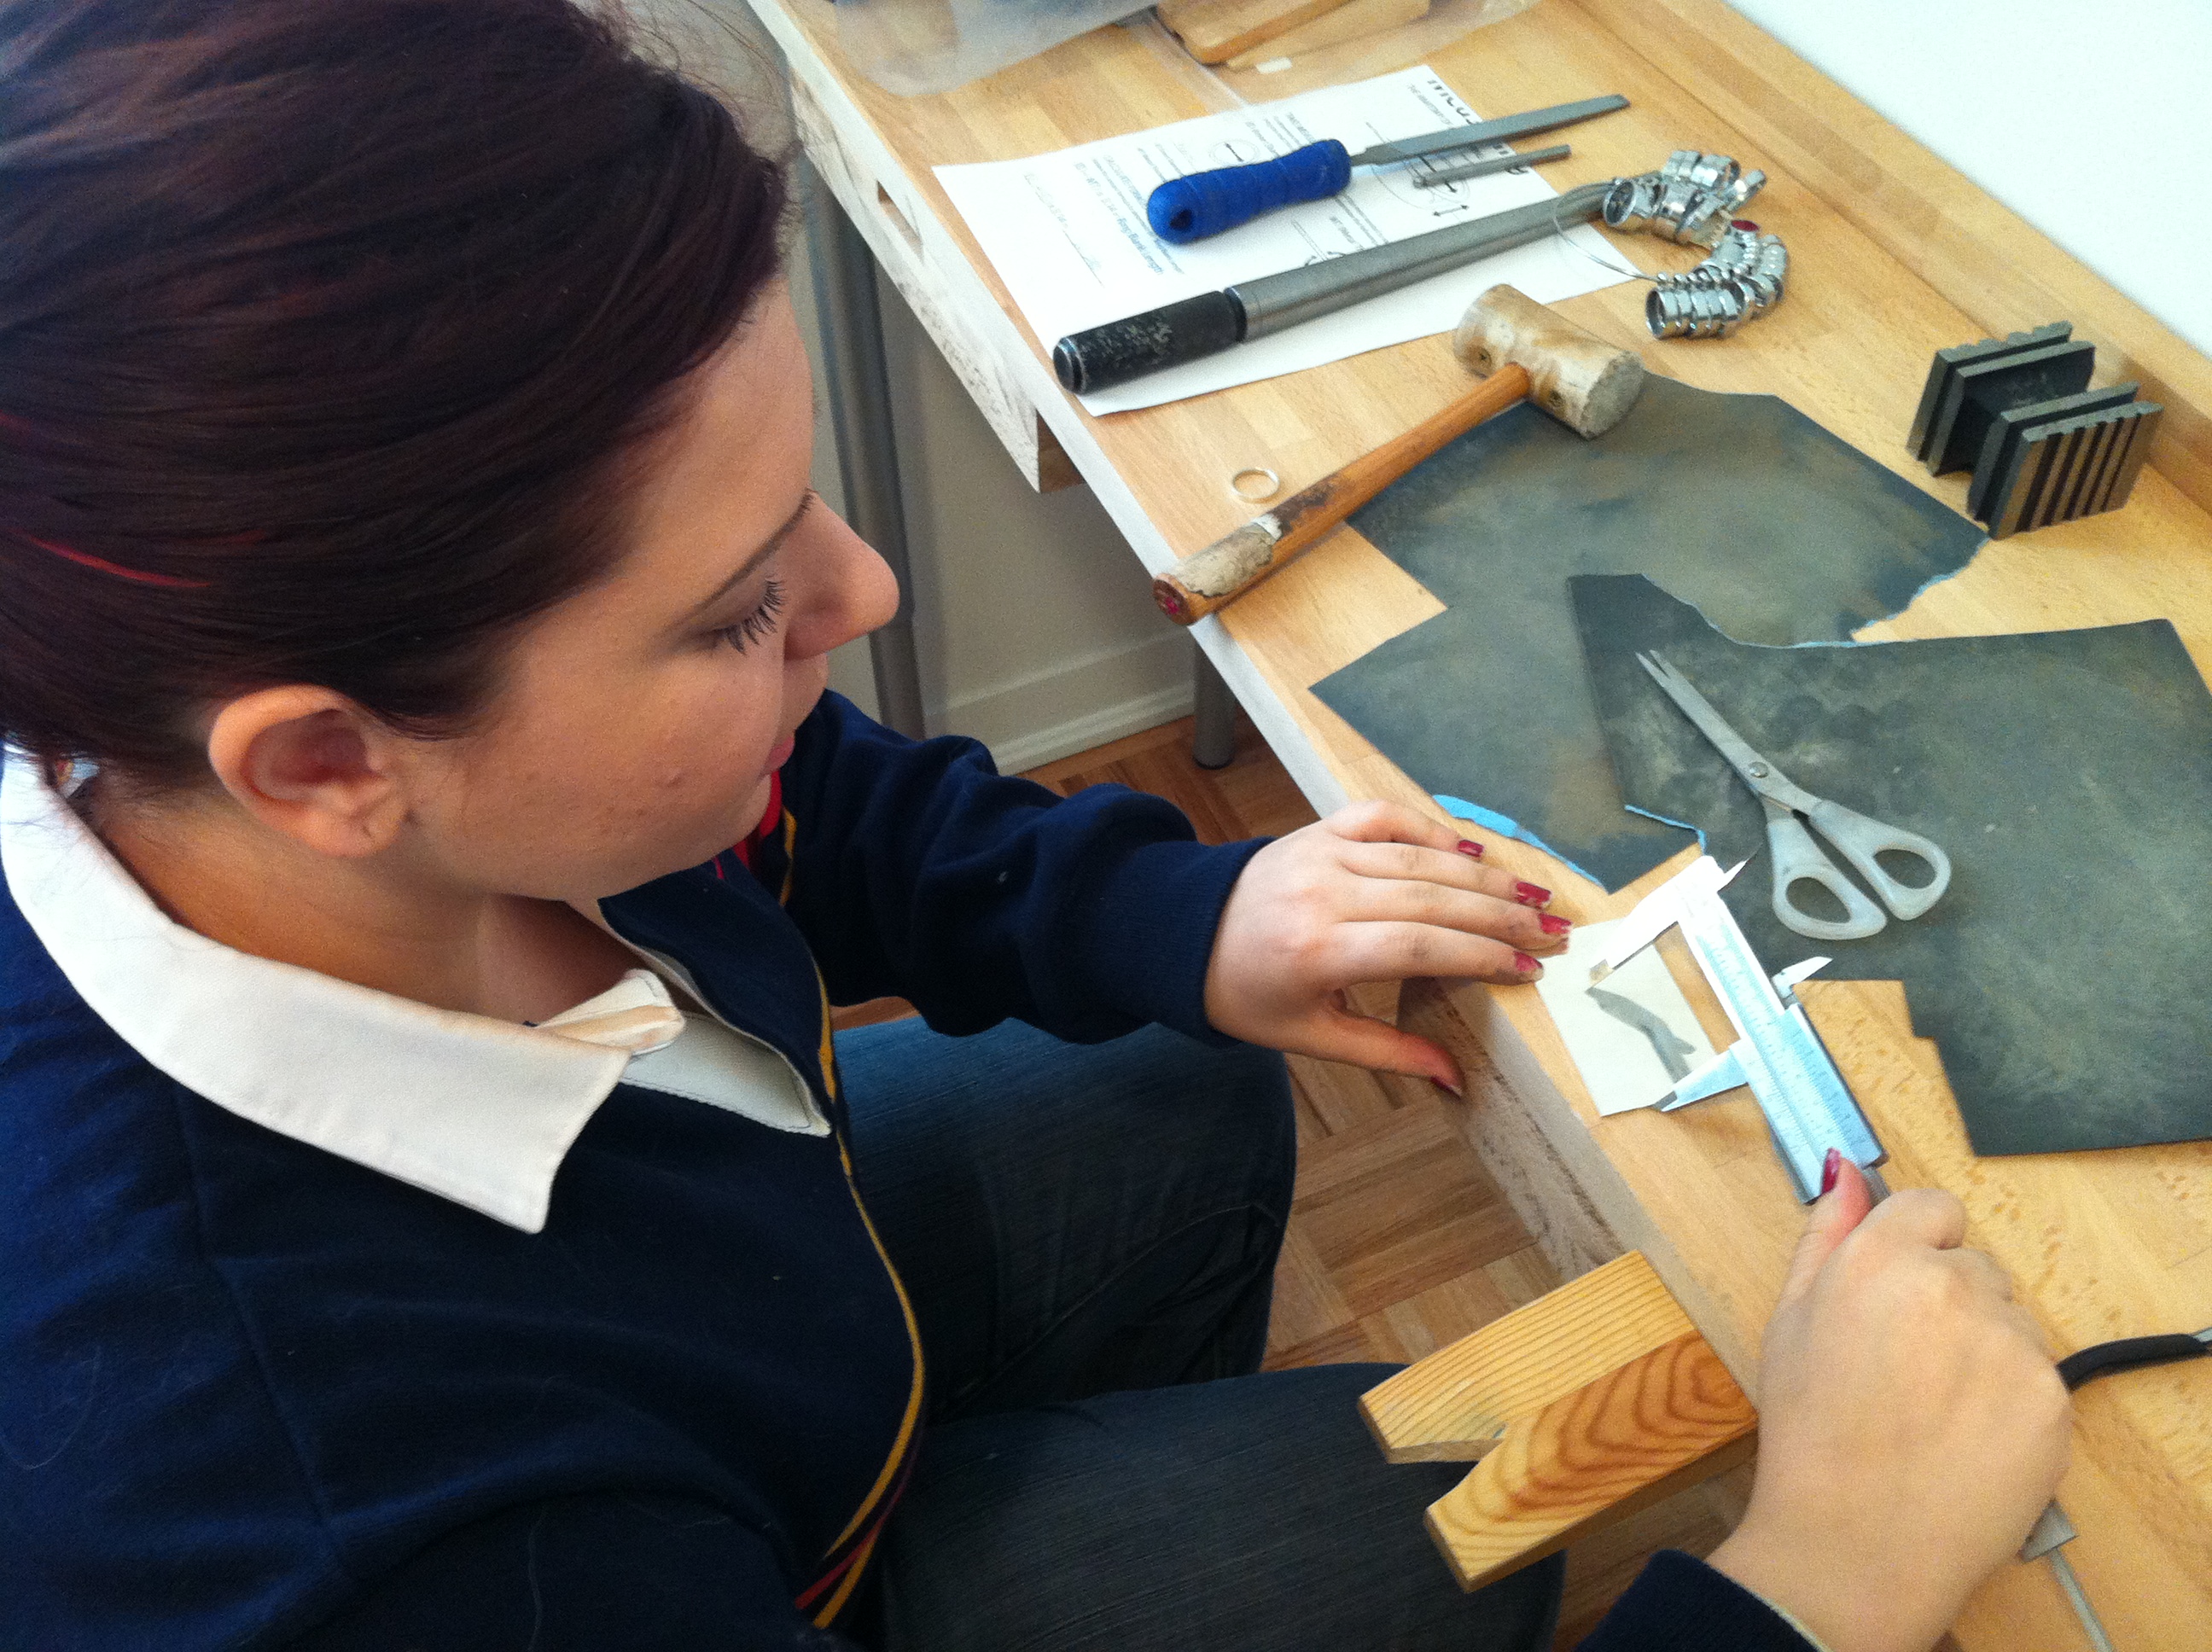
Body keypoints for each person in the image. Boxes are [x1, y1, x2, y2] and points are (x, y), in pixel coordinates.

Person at [0, 3, 2069, 1648]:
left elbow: (788, 811)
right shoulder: (360, 1532)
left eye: (799, 508)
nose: (865, 590)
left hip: (738, 1334)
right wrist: (1821, 1581)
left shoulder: (204, 716)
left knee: (1189, 1066)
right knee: (1433, 1539)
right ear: (324, 764)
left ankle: (1056, 1462)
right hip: (678, 1540)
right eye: (735, 609)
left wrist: (1180, 914)